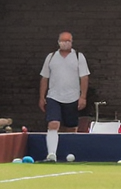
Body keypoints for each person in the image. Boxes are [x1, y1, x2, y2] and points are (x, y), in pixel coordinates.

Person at [38, 32, 90, 161]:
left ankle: (69, 154)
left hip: (72, 97)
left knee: (71, 127)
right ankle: (51, 154)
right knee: (53, 123)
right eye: (62, 40)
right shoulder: (51, 57)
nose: (65, 43)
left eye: (68, 41)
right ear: (58, 42)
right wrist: (42, 96)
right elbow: (44, 78)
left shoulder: (78, 57)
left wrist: (83, 96)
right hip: (53, 96)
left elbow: (84, 77)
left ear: (72, 42)